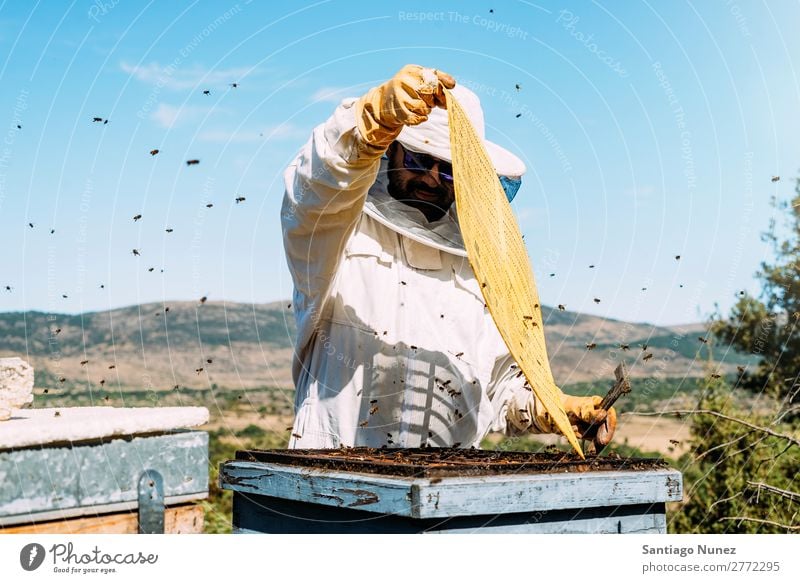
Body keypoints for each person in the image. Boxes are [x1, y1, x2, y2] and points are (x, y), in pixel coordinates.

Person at [281, 64, 616, 450]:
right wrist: (369, 121)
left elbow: (497, 389)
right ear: (391, 152)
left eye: (450, 172)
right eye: (420, 161)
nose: (431, 179)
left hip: (448, 488)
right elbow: (316, 187)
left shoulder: (482, 269)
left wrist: (553, 408)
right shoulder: (338, 235)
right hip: (334, 482)